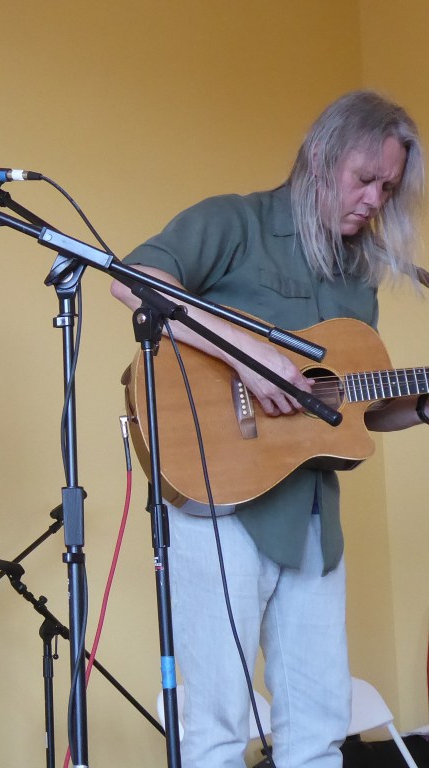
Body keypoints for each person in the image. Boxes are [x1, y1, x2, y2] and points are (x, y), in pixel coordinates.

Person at [111, 90, 425, 768]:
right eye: (365, 179)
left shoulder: (358, 273)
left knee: (318, 731)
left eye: (388, 188)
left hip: (312, 516)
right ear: (321, 157)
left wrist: (424, 405)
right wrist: (247, 354)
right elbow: (133, 281)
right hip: (219, 503)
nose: (374, 200)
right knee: (217, 731)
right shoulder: (235, 222)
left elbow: (354, 403)